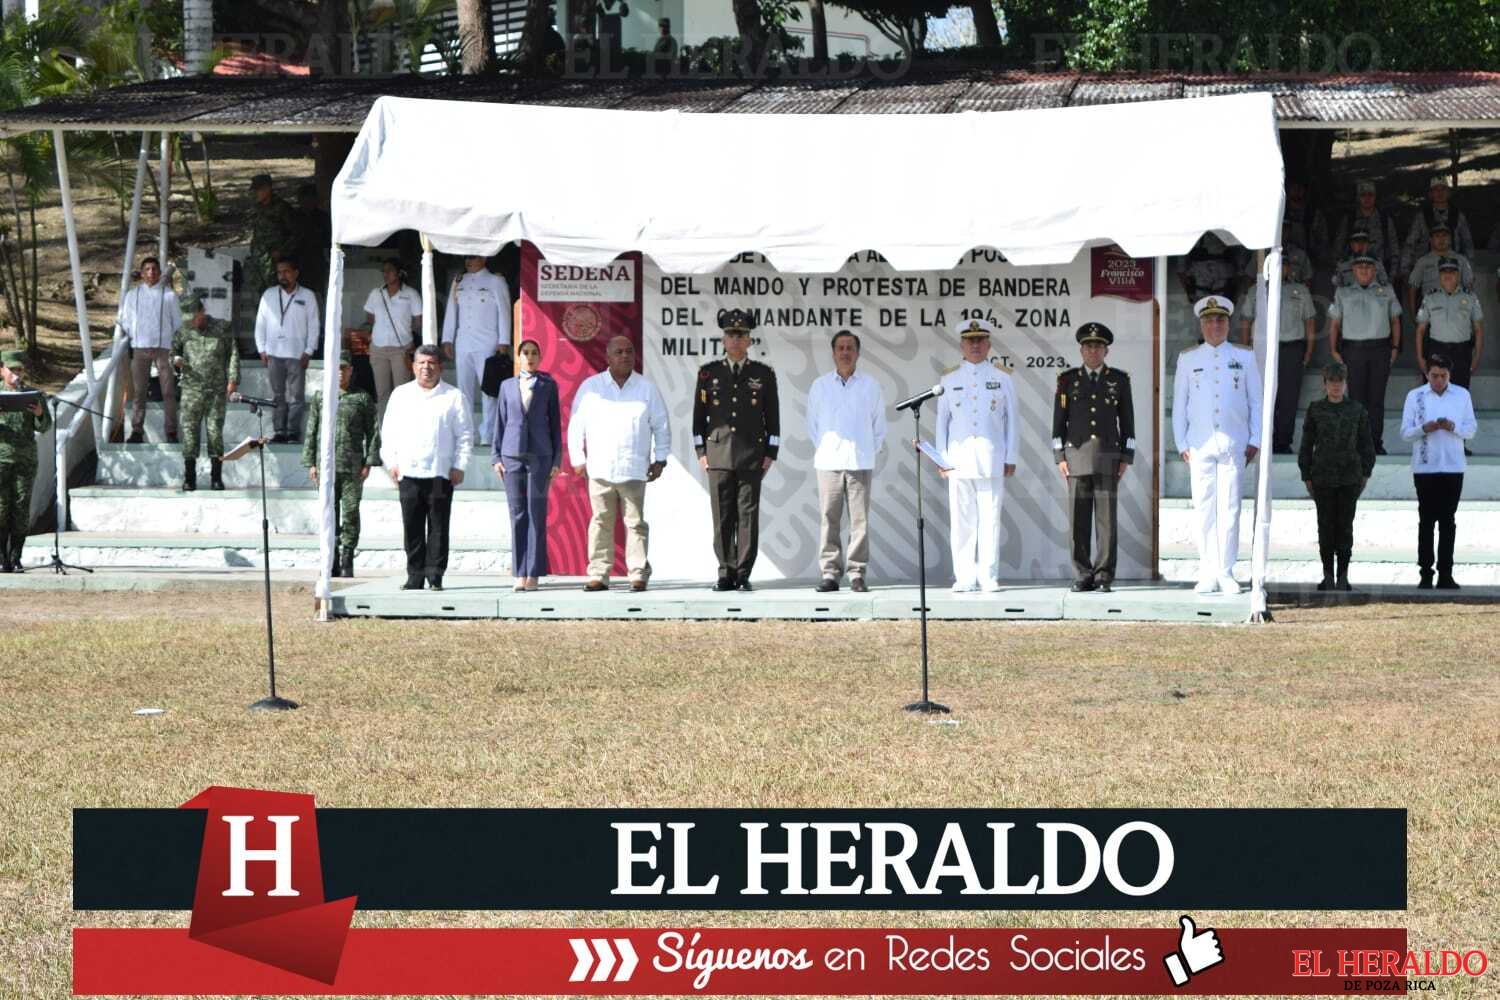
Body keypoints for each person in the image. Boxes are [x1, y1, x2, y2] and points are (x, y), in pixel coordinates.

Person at [1172, 295, 1262, 595]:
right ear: (1201, 324)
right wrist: (1181, 442)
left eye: (1220, 320)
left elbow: (1257, 401)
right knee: (1204, 508)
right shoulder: (1188, 358)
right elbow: (1180, 403)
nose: (1215, 325)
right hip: (1199, 445)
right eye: (1209, 320)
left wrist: (1255, 438)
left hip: (1233, 443)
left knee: (1230, 508)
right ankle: (1207, 570)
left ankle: (1225, 571)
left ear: (1228, 324)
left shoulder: (1244, 357)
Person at [568, 335, 670, 592]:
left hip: (634, 469)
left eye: (629, 351)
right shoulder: (591, 387)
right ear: (608, 357)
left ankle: (637, 574)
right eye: (619, 352)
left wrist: (660, 459)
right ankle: (599, 574)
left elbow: (661, 425)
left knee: (635, 524)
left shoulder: (647, 389)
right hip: (599, 469)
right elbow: (576, 426)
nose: (625, 356)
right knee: (601, 522)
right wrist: (578, 459)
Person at [692, 307, 780, 592]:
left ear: (750, 340)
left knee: (747, 517)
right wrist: (701, 452)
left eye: (741, 335)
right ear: (723, 339)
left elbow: (773, 418)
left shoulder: (763, 374)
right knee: (722, 518)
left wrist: (771, 453)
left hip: (751, 456)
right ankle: (725, 572)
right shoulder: (708, 373)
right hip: (717, 455)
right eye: (731, 334)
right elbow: (698, 418)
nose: (736, 340)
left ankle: (742, 573)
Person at [935, 317, 1017, 593]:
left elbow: (1012, 420)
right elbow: (942, 422)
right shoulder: (949, 378)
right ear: (961, 345)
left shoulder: (1002, 378)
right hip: (958, 461)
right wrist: (942, 459)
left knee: (990, 520)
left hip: (991, 458)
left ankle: (988, 575)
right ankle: (964, 576)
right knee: (962, 522)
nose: (975, 345)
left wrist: (1011, 456)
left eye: (980, 340)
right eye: (970, 341)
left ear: (989, 345)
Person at [1051, 321, 1134, 592]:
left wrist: (1126, 456)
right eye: (1088, 346)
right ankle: (1083, 574)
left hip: (1108, 457)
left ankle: (1103, 576)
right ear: (1081, 350)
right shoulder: (1067, 380)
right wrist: (1059, 456)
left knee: (1107, 522)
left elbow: (1128, 422)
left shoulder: (1119, 380)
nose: (1093, 351)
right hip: (1075, 458)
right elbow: (1058, 423)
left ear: (1106, 351)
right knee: (1078, 521)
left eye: (1098, 346)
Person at [381, 345, 471, 591]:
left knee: (439, 527)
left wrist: (460, 465)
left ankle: (435, 576)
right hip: (408, 472)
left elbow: (464, 435)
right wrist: (391, 463)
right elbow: (388, 433)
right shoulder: (400, 395)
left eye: (431, 363)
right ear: (413, 366)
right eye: (421, 363)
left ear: (440, 367)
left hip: (441, 472)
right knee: (412, 527)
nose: (426, 368)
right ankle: (414, 576)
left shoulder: (454, 396)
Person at [806, 329, 885, 593]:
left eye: (850, 348)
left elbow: (879, 425)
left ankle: (856, 573)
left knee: (859, 522)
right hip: (828, 462)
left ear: (858, 353)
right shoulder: (820, 385)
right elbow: (812, 425)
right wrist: (827, 448)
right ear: (833, 353)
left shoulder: (870, 385)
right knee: (829, 519)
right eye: (840, 348)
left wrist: (867, 451)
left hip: (859, 462)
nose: (845, 352)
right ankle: (830, 573)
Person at [1400, 354, 1477, 589]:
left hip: (1453, 467)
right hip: (1425, 468)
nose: (1439, 380)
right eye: (1434, 376)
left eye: (1443, 376)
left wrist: (1454, 427)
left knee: (1448, 521)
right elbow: (1405, 432)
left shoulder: (1462, 395)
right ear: (1427, 374)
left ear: (1450, 375)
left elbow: (1471, 429)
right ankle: (1425, 573)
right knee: (1426, 520)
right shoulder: (1415, 396)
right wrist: (1424, 428)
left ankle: (1446, 573)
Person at [1297, 362, 1375, 592]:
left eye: (1339, 381)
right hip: (1322, 477)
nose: (1335, 386)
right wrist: (1306, 474)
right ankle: (1328, 576)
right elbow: (1306, 444)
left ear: (1345, 383)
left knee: (1345, 528)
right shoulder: (1316, 409)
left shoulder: (1357, 410)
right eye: (1331, 382)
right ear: (1325, 384)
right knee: (1325, 528)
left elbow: (1367, 444)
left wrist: (1365, 473)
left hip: (1350, 477)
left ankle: (1343, 576)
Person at [494, 340, 561, 591]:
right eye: (525, 353)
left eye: (534, 353)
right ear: (518, 357)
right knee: (517, 513)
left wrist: (556, 460)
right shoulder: (506, 386)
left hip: (540, 456)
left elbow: (555, 424)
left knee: (536, 513)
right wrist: (496, 457)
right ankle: (519, 572)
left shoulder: (548, 385)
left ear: (540, 358)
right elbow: (500, 422)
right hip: (511, 455)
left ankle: (533, 572)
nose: (530, 357)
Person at [304, 358, 380, 578]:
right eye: (336, 368)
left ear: (351, 370)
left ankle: (347, 556)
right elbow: (312, 430)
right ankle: (332, 557)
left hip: (352, 467)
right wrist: (311, 462)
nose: (340, 372)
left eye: (344, 368)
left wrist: (369, 462)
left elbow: (373, 432)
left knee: (350, 512)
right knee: (329, 512)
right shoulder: (322, 397)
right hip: (325, 466)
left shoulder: (362, 398)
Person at [1238, 255, 1316, 454]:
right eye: (1275, 265)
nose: (1280, 269)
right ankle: (1263, 440)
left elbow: (1310, 322)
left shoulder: (1300, 290)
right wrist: (1245, 350)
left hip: (1291, 349)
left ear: (1288, 269)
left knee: (1289, 396)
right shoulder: (1256, 290)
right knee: (1262, 395)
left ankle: (1283, 442)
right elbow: (1246, 320)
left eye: (1284, 265)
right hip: (1262, 349)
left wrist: (1309, 351)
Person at [1327, 254, 1401, 456]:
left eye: (1368, 268)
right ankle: (1357, 444)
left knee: (1376, 399)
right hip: (1353, 350)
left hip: (1380, 349)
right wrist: (1333, 350)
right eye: (1360, 268)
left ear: (1374, 270)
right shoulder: (1343, 292)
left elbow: (1395, 321)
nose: (1364, 271)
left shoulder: (1386, 290)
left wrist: (1395, 347)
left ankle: (1375, 443)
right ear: (1354, 271)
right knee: (1356, 399)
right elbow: (1335, 323)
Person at [171, 292, 239, 492]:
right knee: (189, 433)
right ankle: (189, 477)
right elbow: (172, 352)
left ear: (202, 311)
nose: (192, 321)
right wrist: (175, 360)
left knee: (215, 433)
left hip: (216, 391)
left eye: (194, 317)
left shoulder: (222, 328)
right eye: (188, 318)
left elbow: (233, 353)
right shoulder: (183, 331)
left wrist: (233, 379)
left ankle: (216, 478)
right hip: (191, 390)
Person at [441, 256, 512, 448]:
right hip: (463, 340)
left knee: (488, 389)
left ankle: (488, 435)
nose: (469, 261)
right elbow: (451, 310)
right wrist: (447, 338)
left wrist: (504, 341)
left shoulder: (495, 281)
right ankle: (467, 434)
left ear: (484, 258)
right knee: (463, 389)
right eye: (467, 257)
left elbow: (505, 311)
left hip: (487, 342)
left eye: (473, 257)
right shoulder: (459, 280)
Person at [253, 257, 321, 444]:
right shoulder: (269, 294)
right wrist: (261, 349)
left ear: (296, 273)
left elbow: (314, 325)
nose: (282, 276)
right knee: (278, 395)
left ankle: (292, 432)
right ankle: (279, 431)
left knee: (296, 396)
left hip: (297, 354)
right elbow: (260, 323)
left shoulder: (307, 295)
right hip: (273, 354)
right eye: (279, 272)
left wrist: (309, 350)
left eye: (286, 271)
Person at [117, 256, 180, 444]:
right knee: (139, 392)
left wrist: (164, 339)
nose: (151, 272)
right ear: (142, 273)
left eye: (154, 269)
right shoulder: (132, 295)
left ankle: (171, 432)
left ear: (159, 272)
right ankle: (137, 431)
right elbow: (125, 320)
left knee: (168, 391)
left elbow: (177, 322)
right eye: (147, 269)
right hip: (140, 349)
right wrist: (138, 337)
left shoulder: (169, 295)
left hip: (163, 349)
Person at [351, 258, 422, 425]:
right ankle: (384, 427)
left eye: (389, 270)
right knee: (382, 392)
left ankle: (402, 425)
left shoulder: (411, 294)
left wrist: (405, 331)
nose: (386, 274)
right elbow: (370, 317)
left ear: (399, 273)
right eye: (384, 271)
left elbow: (418, 320)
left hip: (401, 348)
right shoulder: (376, 293)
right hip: (378, 348)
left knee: (402, 391)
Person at [0, 349, 49, 573]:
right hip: (1, 460)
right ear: (2, 370)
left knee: (21, 508)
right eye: (12, 370)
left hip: (25, 460)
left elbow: (45, 427)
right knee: (1, 508)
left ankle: (16, 557)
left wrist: (39, 413)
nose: (16, 374)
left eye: (20, 370)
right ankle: (2, 558)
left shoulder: (32, 394)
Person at [1415, 258, 1484, 393]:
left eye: (1452, 271)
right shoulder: (1430, 297)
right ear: (1439, 275)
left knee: (1459, 393)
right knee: (1434, 395)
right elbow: (1420, 330)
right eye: (1444, 272)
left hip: (1462, 353)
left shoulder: (1470, 297)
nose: (1447, 275)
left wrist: (1476, 358)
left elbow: (1478, 329)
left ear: (1458, 275)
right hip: (1436, 351)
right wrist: (1420, 357)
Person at [1401, 174, 1474, 278]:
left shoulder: (1458, 216)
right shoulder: (1422, 217)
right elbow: (1410, 243)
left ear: (1449, 193)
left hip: (1452, 269)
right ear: (1431, 194)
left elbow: (1468, 245)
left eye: (1443, 189)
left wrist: (1468, 271)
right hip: (1426, 269)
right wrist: (1405, 270)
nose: (1440, 193)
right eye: (1436, 190)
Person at [1331, 180, 1400, 278]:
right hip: (1353, 274)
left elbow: (1394, 249)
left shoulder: (1384, 220)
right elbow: (1338, 249)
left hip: (1380, 274)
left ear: (1375, 197)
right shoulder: (1350, 220)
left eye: (1370, 195)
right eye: (1363, 195)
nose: (1367, 198)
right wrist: (1341, 273)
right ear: (1358, 197)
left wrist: (1392, 275)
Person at [1405, 223, 1474, 317]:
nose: (1441, 239)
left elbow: (1469, 286)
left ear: (1450, 239)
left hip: (1456, 312)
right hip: (1431, 311)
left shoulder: (1461, 260)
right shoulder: (1423, 261)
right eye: (1437, 236)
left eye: (1444, 235)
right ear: (1431, 240)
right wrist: (1414, 316)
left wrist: (1470, 313)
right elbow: (1412, 288)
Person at [246, 173, 297, 300]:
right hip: (258, 260)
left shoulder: (282, 208)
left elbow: (296, 234)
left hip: (275, 263)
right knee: (259, 297)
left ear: (267, 189)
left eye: (258, 190)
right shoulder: (256, 208)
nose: (255, 193)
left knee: (277, 295)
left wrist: (281, 252)